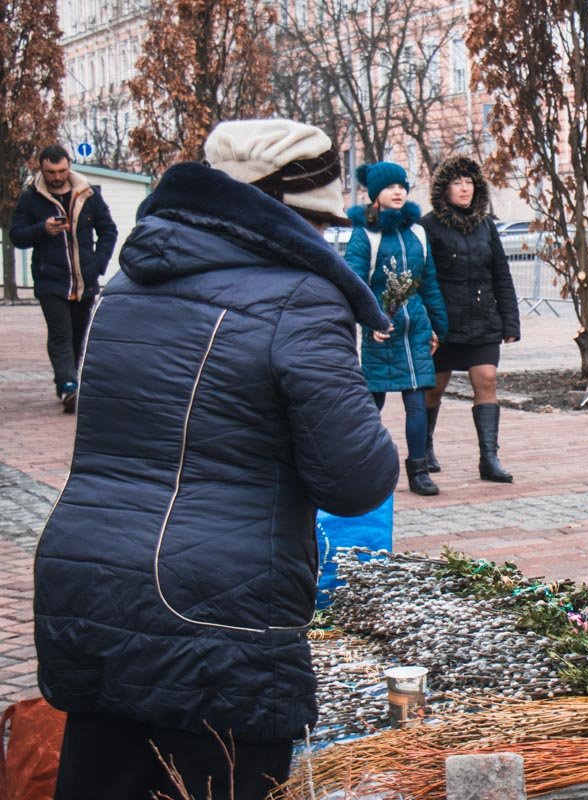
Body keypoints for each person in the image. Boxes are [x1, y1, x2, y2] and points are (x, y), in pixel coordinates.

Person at [33, 119, 400, 799]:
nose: (326, 241)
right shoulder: (302, 296)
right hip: (215, 613)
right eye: (321, 223)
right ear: (286, 215)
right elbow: (356, 479)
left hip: (87, 584)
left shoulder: (130, 283)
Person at [346, 161, 449, 496]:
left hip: (415, 328)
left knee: (416, 400)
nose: (398, 192)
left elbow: (428, 281)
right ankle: (358, 463)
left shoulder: (418, 231)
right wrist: (370, 320)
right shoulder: (365, 235)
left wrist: (437, 325)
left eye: (402, 186)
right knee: (370, 403)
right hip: (382, 328)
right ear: (376, 194)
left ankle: (418, 471)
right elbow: (354, 282)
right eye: (390, 187)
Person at [420, 156, 521, 483]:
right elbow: (422, 278)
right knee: (433, 390)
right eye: (457, 182)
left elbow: (501, 275)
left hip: (482, 320)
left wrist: (510, 322)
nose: (464, 188)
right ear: (443, 188)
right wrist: (428, 323)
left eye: (469, 182)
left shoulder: (486, 225)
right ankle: (424, 446)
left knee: (487, 380)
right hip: (444, 322)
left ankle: (489, 458)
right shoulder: (428, 226)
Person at [10, 144, 118, 414]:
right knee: (61, 332)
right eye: (51, 171)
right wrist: (42, 229)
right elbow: (17, 235)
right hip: (51, 280)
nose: (57, 176)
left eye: (61, 170)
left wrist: (97, 264)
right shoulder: (31, 198)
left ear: (69, 166)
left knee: (79, 335)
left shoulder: (87, 193)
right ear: (42, 168)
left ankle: (70, 379)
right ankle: (68, 385)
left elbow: (108, 231)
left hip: (85, 280)